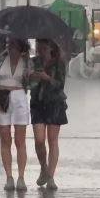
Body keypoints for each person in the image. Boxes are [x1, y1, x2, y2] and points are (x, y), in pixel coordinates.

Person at [0, 37, 33, 191]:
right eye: (8, 44)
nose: (10, 47)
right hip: (2, 98)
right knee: (5, 139)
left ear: (21, 46)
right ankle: (9, 177)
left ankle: (21, 178)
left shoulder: (27, 61)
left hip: (19, 99)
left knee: (20, 140)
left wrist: (30, 74)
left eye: (13, 44)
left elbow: (32, 84)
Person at [30, 38, 68, 190]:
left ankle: (51, 176)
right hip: (37, 104)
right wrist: (31, 77)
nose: (41, 51)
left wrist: (48, 79)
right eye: (39, 47)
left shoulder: (59, 63)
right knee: (39, 140)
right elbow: (27, 83)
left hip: (55, 104)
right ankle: (43, 167)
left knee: (52, 140)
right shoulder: (33, 62)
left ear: (51, 48)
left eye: (44, 48)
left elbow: (60, 85)